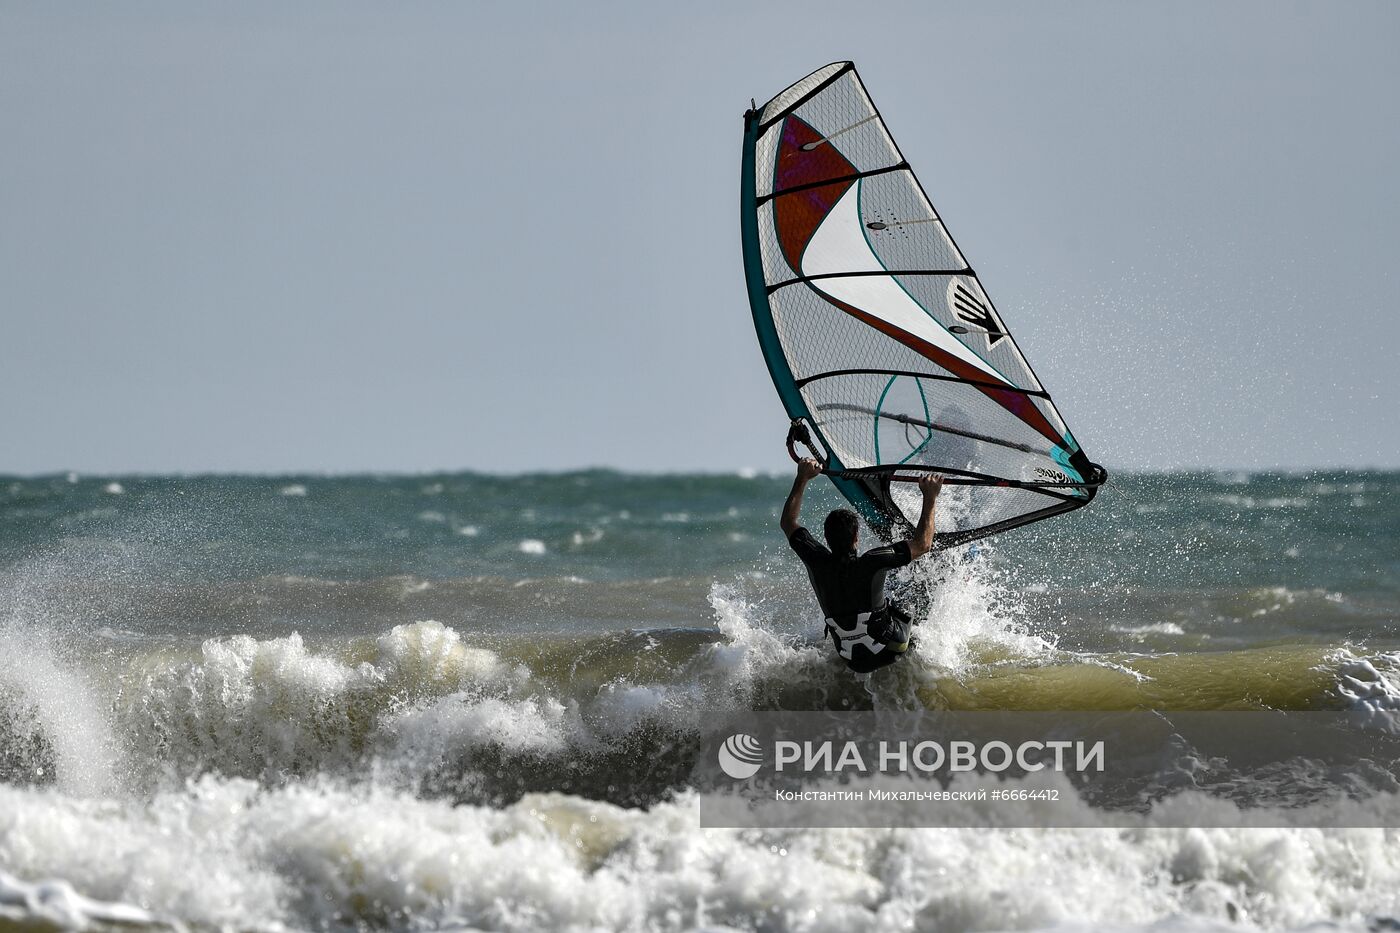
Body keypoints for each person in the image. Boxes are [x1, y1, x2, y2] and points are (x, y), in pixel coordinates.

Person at [779, 458, 942, 673]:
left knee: (884, 592)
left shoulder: (816, 560)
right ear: (856, 536)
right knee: (915, 593)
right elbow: (923, 544)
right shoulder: (873, 561)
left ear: (826, 539)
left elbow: (788, 522)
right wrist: (930, 497)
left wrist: (802, 478)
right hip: (892, 648)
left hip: (850, 659)